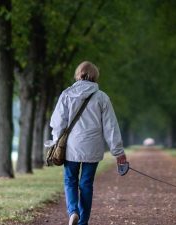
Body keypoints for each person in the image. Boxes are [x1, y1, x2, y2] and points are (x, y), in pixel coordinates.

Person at [50, 61, 127, 225]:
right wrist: (118, 152)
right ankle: (83, 222)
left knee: (70, 180)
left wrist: (56, 141)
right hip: (93, 148)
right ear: (95, 76)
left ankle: (73, 211)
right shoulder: (102, 97)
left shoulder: (67, 94)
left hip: (71, 147)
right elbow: (111, 127)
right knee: (86, 184)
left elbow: (58, 122)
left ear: (78, 74)